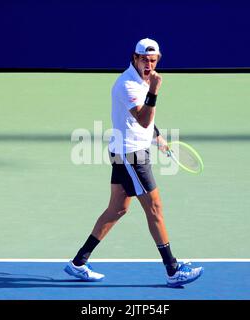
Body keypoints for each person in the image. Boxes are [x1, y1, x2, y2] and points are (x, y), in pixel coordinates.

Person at [64, 38, 203, 287]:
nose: (149, 65)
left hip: (129, 151)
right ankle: (172, 270)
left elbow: (148, 124)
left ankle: (78, 262)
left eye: (153, 60)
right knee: (155, 209)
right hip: (131, 156)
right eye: (144, 60)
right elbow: (142, 119)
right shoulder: (127, 84)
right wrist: (155, 91)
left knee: (117, 209)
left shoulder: (143, 78)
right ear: (134, 58)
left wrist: (158, 137)